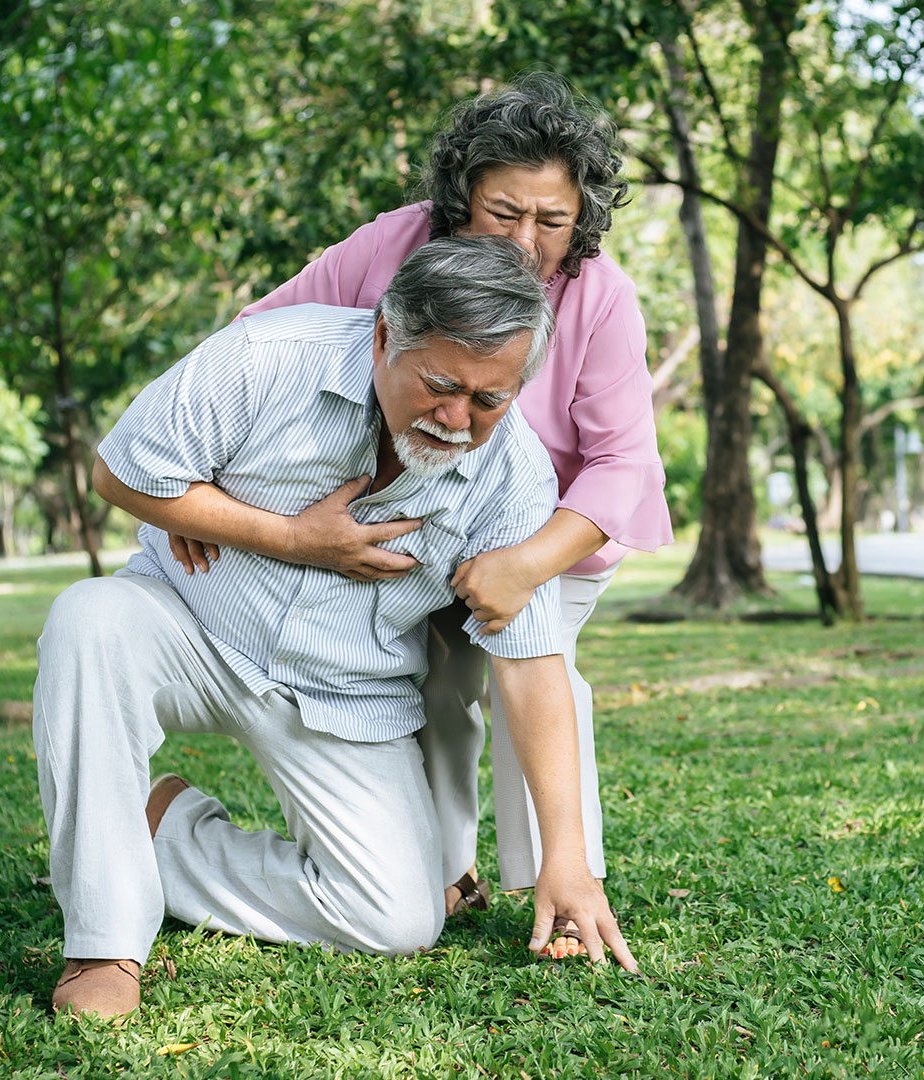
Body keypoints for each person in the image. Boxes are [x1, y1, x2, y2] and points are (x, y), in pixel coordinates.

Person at [34, 236, 636, 1020]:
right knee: (88, 617)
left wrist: (569, 861)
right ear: (385, 335)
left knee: (397, 918)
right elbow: (121, 470)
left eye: (489, 400)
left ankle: (163, 829)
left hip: (347, 690)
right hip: (189, 623)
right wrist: (287, 536)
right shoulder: (267, 356)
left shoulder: (514, 478)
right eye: (440, 386)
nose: (458, 419)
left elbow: (529, 664)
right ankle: (104, 942)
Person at [169, 73, 672, 949]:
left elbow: (624, 464)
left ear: (580, 220)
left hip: (548, 533)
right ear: (457, 199)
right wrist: (193, 480)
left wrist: (523, 564)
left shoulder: (603, 295)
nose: (526, 242)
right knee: (431, 685)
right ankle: (444, 869)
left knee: (536, 674)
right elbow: (254, 333)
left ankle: (569, 881)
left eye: (551, 223)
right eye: (502, 213)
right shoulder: (388, 243)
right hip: (413, 516)